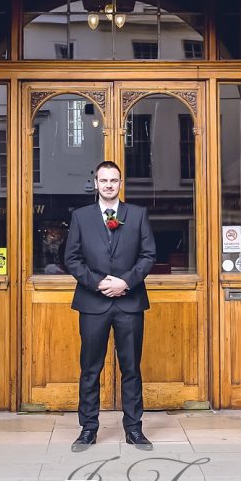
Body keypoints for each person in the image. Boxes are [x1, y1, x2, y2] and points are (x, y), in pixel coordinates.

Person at [64, 161, 156, 451]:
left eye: (113, 181)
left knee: (131, 368)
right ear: (95, 183)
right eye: (103, 180)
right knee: (90, 369)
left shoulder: (138, 215)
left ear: (120, 183)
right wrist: (99, 282)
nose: (108, 185)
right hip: (93, 303)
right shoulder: (81, 217)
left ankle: (134, 430)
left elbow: (148, 255)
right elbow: (72, 259)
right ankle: (88, 430)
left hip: (129, 303)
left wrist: (125, 282)